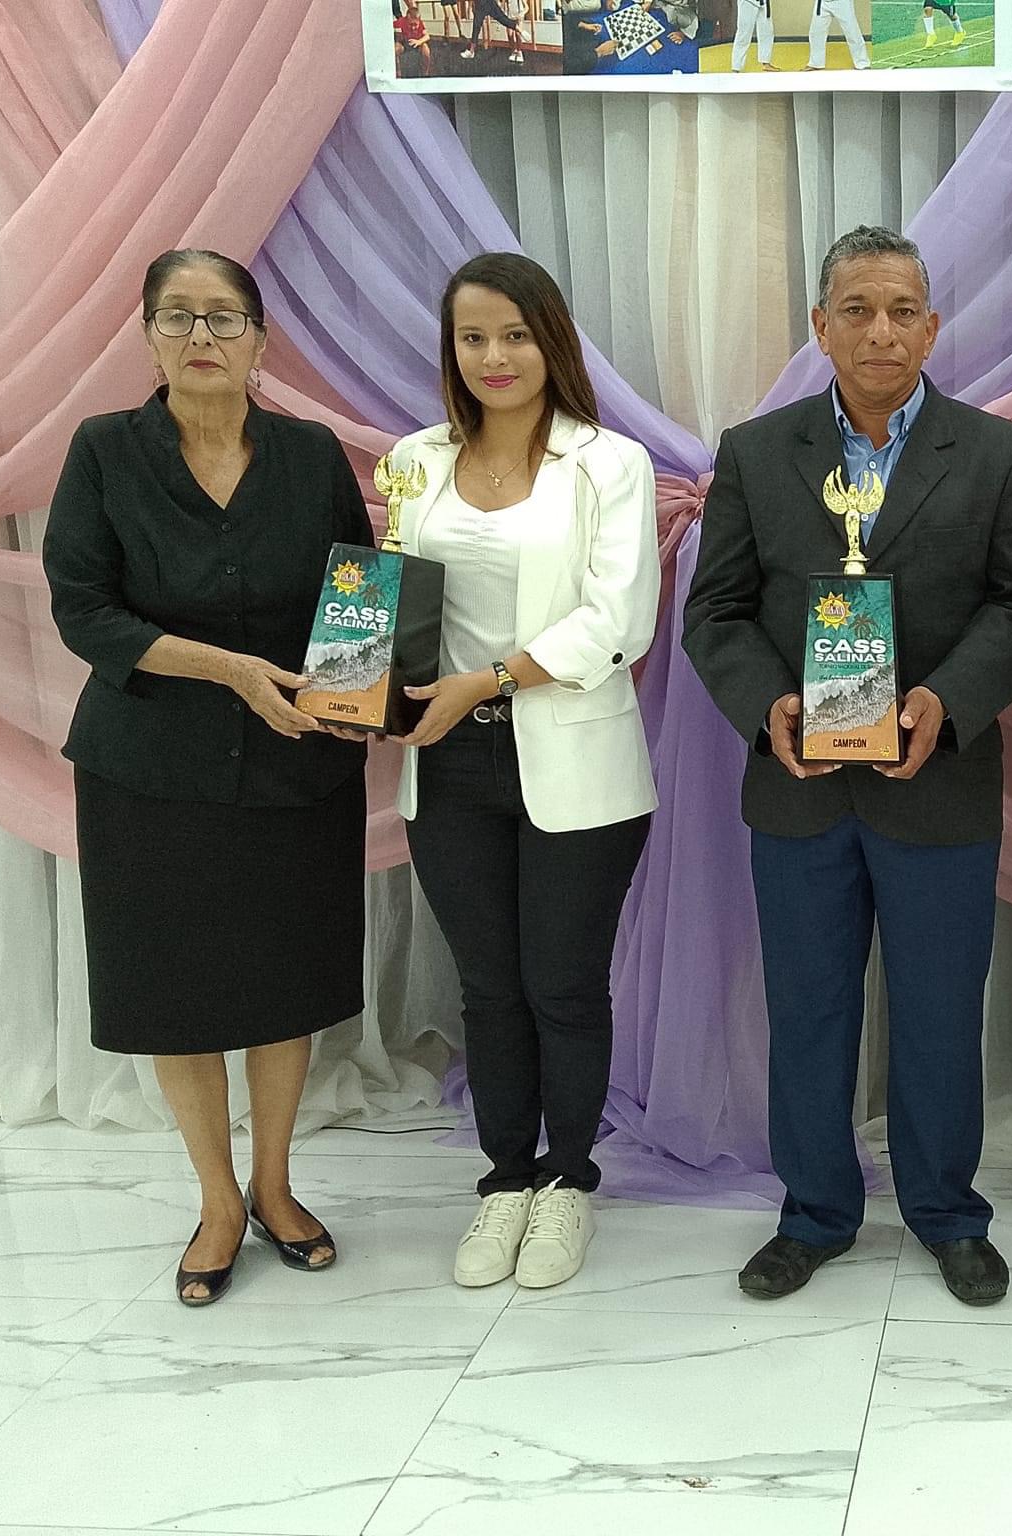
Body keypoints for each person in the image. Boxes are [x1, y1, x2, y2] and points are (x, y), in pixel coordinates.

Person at [684, 225, 1012, 1306]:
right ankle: (813, 1214)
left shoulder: (997, 453)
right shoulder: (757, 452)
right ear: (820, 326)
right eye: (857, 309)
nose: (880, 331)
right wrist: (771, 706)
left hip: (937, 784)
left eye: (902, 311)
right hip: (799, 789)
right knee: (807, 1012)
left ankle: (947, 1214)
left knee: (940, 1014)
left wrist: (946, 703)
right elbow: (715, 611)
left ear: (932, 328)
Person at [43, 249, 372, 1306]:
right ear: (146, 335)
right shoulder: (104, 450)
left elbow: (355, 592)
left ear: (260, 340)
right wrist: (228, 668)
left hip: (296, 764)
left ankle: (275, 1185)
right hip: (148, 770)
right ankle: (217, 1200)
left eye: (224, 318)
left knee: (284, 983)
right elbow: (83, 610)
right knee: (173, 992)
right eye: (177, 317)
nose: (201, 337)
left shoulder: (311, 453)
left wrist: (360, 695)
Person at [389, 253, 660, 1292]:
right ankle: (504, 1180)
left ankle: (567, 1184)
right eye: (472, 337)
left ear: (552, 341)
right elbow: (394, 601)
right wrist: (370, 675)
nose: (494, 356)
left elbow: (620, 620)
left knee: (563, 984)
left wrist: (490, 679)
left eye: (514, 334)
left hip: (572, 753)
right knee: (489, 989)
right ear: (450, 348)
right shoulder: (413, 463)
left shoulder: (608, 464)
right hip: (447, 762)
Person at [808, 0, 868, 70]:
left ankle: (862, 63)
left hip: (842, 2)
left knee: (852, 31)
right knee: (816, 33)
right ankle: (816, 63)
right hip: (822, 3)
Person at [730, 0, 776, 70]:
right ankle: (736, 66)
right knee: (744, 34)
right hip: (748, 2)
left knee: (767, 32)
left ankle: (766, 62)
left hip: (763, 3)